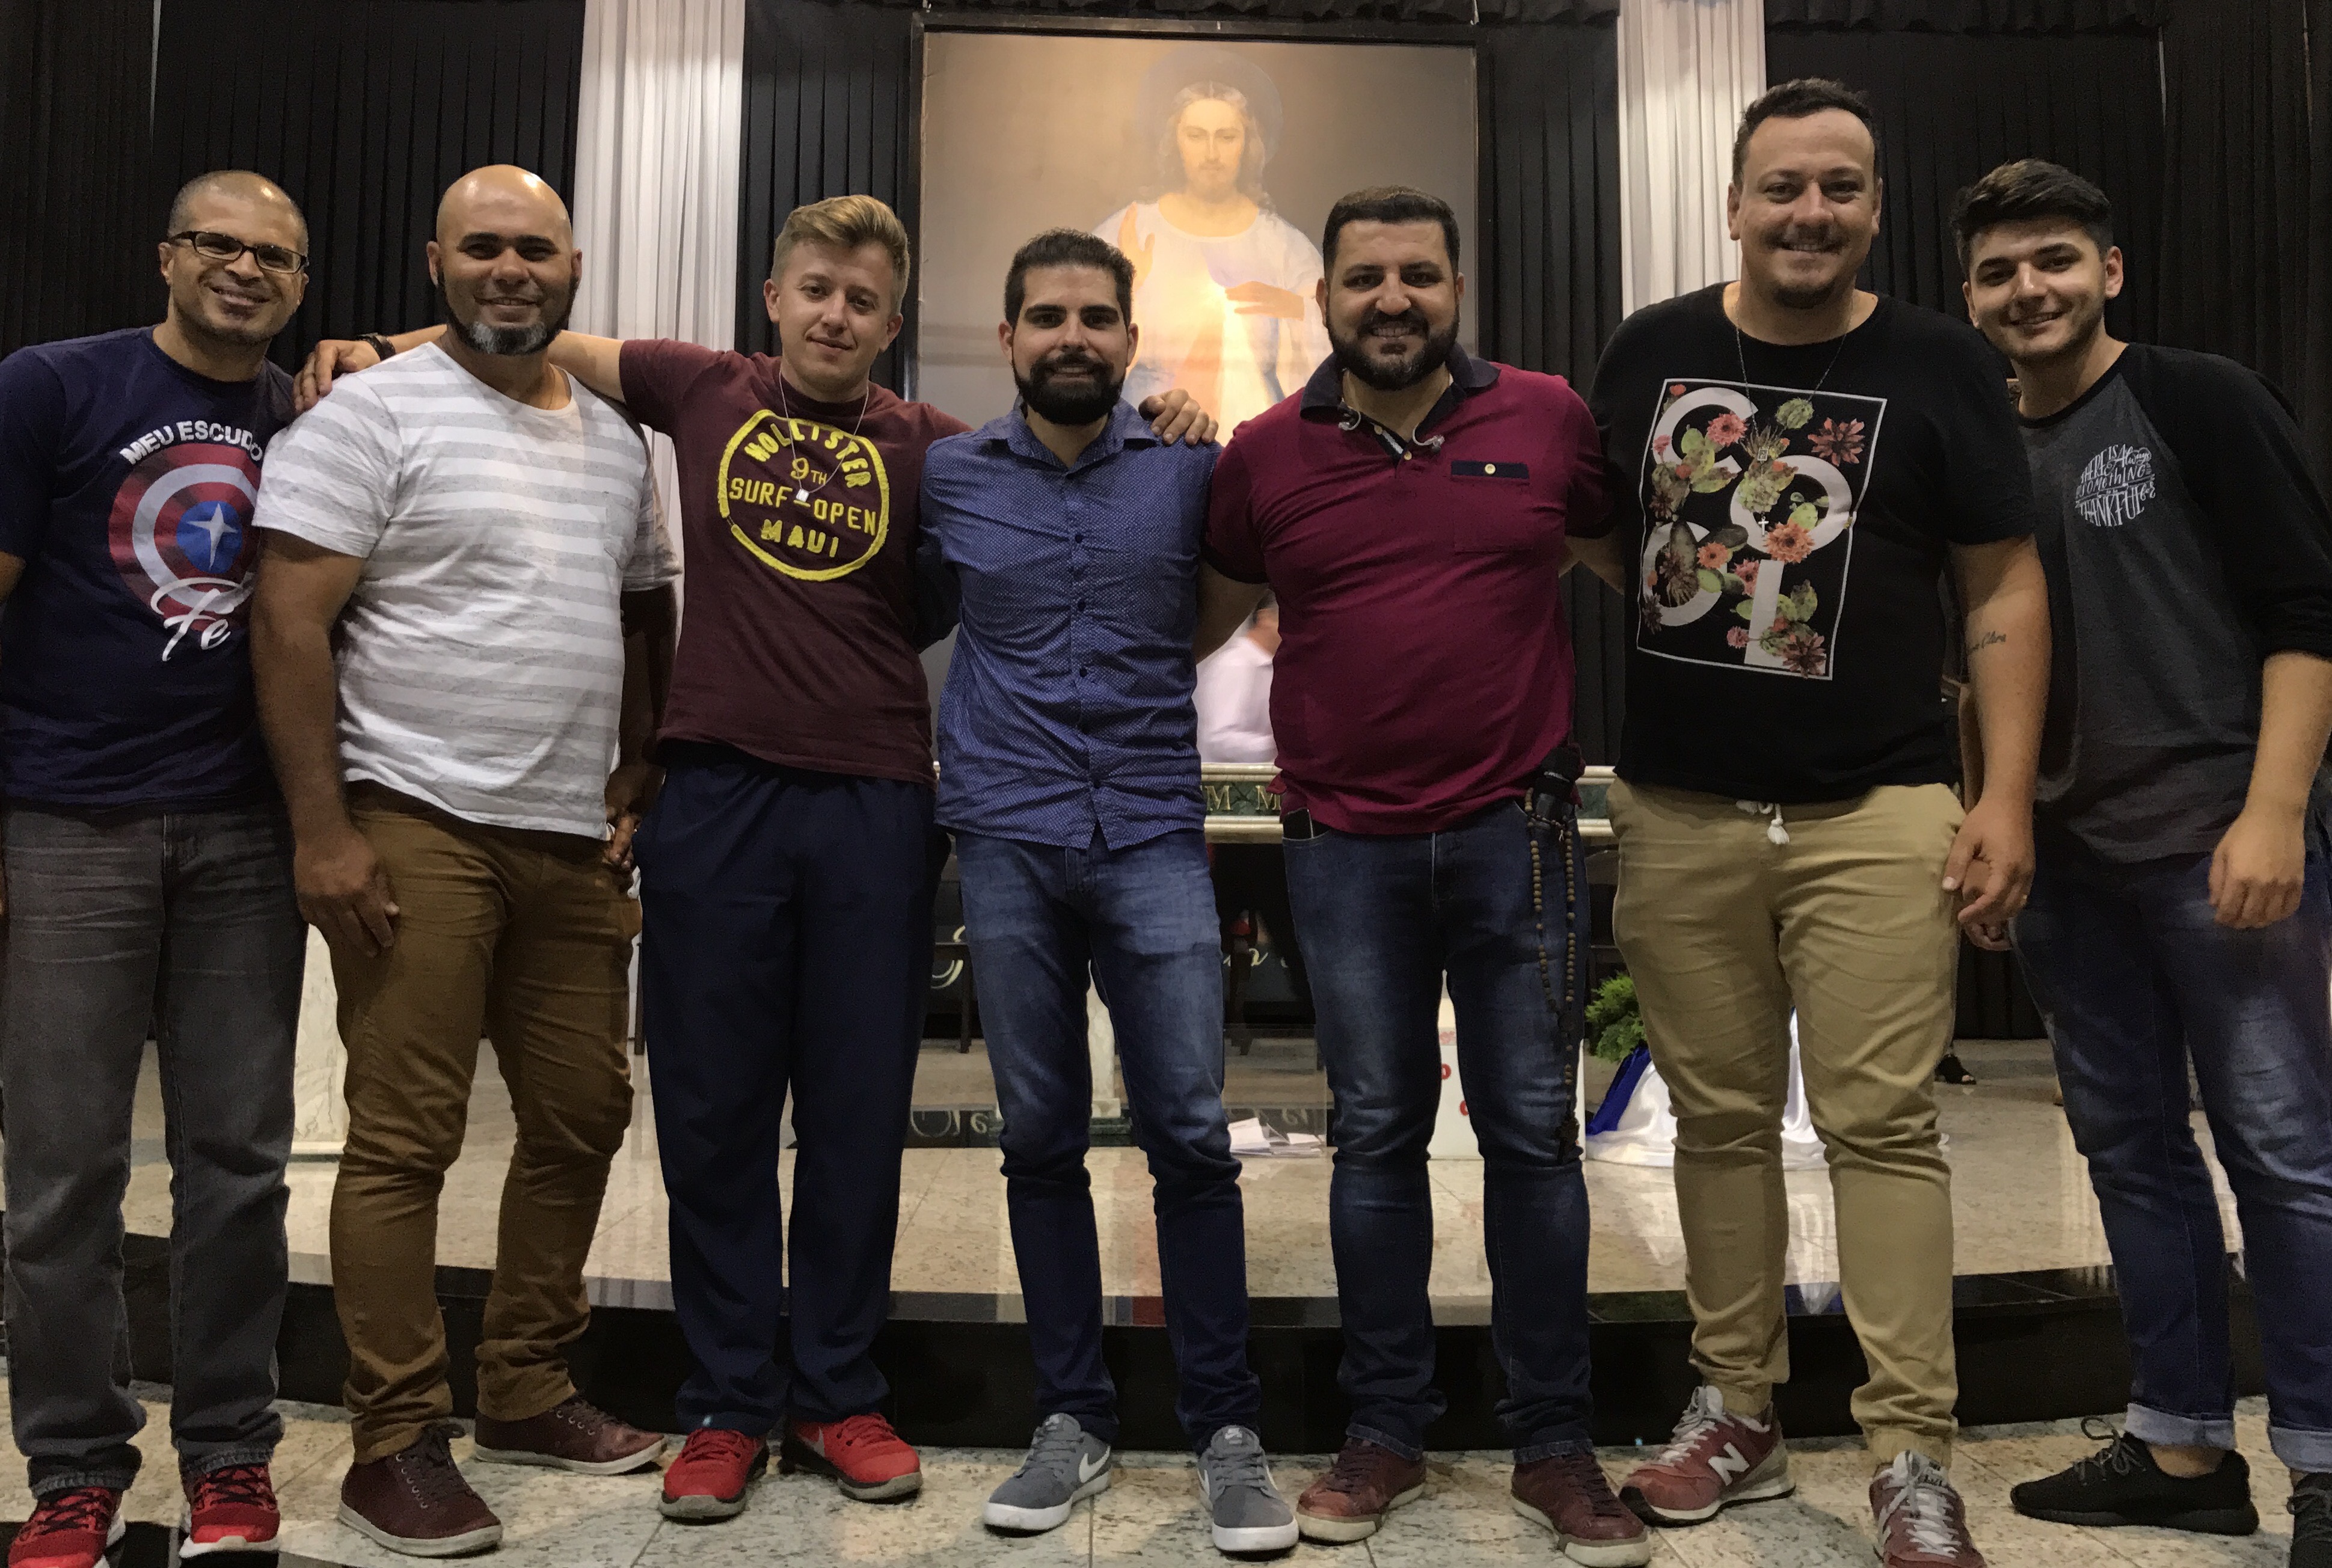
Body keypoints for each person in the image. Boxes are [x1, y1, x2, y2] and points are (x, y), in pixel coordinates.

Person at [296, 194, 1213, 1526]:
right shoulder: (700, 386)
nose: (836, 314)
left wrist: (1171, 410)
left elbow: (1057, 474)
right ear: (774, 300)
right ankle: (727, 1402)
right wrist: (381, 342)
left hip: (875, 799)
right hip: (715, 796)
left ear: (892, 323)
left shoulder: (939, 451)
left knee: (853, 1116)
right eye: (815, 290)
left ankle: (837, 1390)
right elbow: (534, 327)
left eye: (862, 299)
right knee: (714, 1115)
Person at [1573, 79, 2051, 1568]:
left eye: (1840, 186)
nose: (1810, 211)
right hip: (1679, 806)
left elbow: (2002, 585)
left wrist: (2004, 793)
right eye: (1783, 185)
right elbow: (1604, 531)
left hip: (1881, 805)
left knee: (1883, 1128)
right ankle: (1739, 1408)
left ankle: (1910, 1449)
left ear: (1874, 209)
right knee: (1715, 1124)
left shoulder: (1939, 363)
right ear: (1734, 203)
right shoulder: (1650, 349)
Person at [1195, 185, 1650, 1567]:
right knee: (1377, 1136)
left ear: (1457, 287)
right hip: (1345, 845)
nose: (1392, 299)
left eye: (1419, 274)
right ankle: (1384, 1426)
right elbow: (1190, 618)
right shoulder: (1264, 453)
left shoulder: (1548, 419)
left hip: (1518, 836)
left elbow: (1644, 576)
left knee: (1533, 1139)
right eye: (1366, 277)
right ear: (1326, 297)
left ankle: (1554, 1442)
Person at [251, 165, 675, 1557]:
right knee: (406, 1137)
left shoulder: (616, 440)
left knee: (581, 1116)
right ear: (436, 263)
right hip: (416, 820)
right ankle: (395, 1439)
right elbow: (288, 621)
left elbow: (646, 608)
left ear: (572, 268)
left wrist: (641, 760)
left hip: (570, 840)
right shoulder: (370, 412)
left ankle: (529, 1386)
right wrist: (324, 829)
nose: (510, 267)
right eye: (482, 246)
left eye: (534, 248)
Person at [1956, 159, 2332, 1568]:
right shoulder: (1979, 450)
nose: (2028, 289)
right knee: (2130, 1153)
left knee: (2285, 1156)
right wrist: (1994, 818)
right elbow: (1978, 656)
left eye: (2054, 259)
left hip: (2220, 845)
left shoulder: (2199, 398)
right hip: (2071, 867)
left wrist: (2274, 809)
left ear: (2109, 270)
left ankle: (2325, 1461)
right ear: (1969, 297)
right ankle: (2181, 1445)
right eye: (1998, 271)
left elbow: (2307, 611)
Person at [918, 227, 1291, 1554]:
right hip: (1007, 837)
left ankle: (1225, 1430)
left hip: (1149, 832)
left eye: (1095, 317)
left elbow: (1226, 597)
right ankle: (1070, 1417)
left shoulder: (1192, 466)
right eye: (1046, 316)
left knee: (1189, 1135)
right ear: (1007, 336)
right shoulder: (948, 474)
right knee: (1038, 1137)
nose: (1071, 336)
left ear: (1131, 339)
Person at [0, 170, 308, 1568]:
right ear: (168, 255)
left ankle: (231, 1453)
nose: (244, 270)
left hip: (247, 830)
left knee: (237, 1164)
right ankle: (74, 1466)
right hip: (69, 821)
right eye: (218, 245)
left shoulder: (310, 414)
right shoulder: (52, 387)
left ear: (300, 285)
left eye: (275, 257)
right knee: (61, 1171)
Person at [1098, 45, 1332, 436]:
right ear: (1175, 142)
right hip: (1144, 436)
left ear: (1248, 144)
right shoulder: (1131, 230)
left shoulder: (1283, 246)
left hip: (1253, 435)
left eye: (1226, 137)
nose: (1211, 153)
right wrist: (1129, 287)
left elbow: (1333, 350)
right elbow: (1084, 341)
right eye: (1196, 136)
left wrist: (1296, 310)